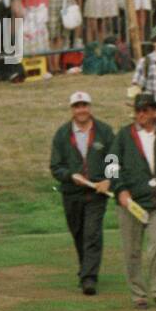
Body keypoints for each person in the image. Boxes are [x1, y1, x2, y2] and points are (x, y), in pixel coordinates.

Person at [109, 93, 156, 311]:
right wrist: (120, 190)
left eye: (144, 110)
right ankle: (138, 294)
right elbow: (110, 164)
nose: (140, 114)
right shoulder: (123, 135)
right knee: (132, 250)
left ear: (153, 112)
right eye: (137, 110)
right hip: (131, 202)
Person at [49, 91, 116, 295]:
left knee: (92, 233)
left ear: (90, 107)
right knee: (78, 233)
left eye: (84, 105)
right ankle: (85, 269)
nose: (81, 110)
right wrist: (70, 176)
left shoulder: (104, 131)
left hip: (97, 193)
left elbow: (113, 159)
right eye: (77, 106)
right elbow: (55, 166)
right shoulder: (62, 134)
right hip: (72, 193)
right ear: (72, 109)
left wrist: (108, 180)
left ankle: (89, 278)